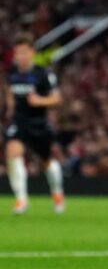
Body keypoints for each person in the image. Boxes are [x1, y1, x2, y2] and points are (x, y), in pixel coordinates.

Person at [5, 33, 64, 215]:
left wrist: (40, 101)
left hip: (39, 123)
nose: (20, 56)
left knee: (47, 163)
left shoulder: (43, 74)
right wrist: (10, 107)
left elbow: (57, 99)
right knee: (12, 152)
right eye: (17, 53)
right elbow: (9, 92)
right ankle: (22, 200)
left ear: (32, 52)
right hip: (20, 122)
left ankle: (57, 193)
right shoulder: (12, 75)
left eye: (24, 52)